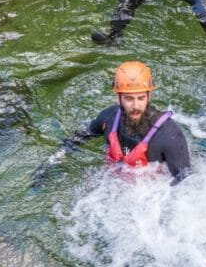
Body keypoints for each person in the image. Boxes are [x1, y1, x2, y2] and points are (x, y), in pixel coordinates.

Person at [44, 61, 191, 185]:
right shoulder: (109, 118)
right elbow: (77, 139)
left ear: (149, 96)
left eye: (141, 98)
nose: (135, 106)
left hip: (150, 194)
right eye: (129, 99)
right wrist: (50, 164)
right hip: (112, 182)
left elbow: (185, 183)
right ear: (118, 97)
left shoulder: (168, 134)